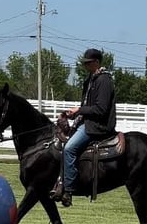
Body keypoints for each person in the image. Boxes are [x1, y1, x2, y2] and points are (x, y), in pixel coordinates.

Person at [50, 48, 116, 207]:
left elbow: (101, 109)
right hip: (87, 122)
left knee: (69, 149)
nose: (85, 66)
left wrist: (79, 110)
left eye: (88, 63)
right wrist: (73, 114)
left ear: (97, 62)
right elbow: (87, 106)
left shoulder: (104, 80)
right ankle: (59, 182)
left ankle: (69, 189)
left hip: (98, 125)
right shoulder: (90, 79)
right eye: (85, 63)